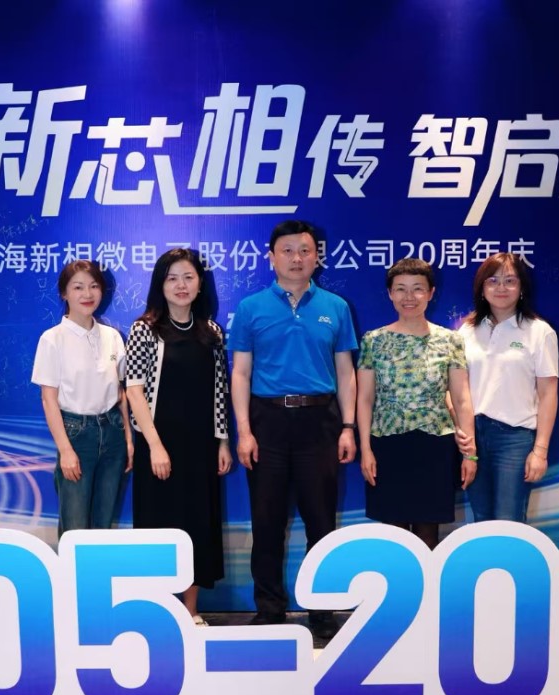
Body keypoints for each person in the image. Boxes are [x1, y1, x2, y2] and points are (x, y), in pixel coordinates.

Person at [228, 219, 357, 638]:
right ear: (271, 258)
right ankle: (269, 610)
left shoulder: (335, 307)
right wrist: (244, 431)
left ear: (317, 257)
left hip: (320, 423)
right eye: (287, 251)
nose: (296, 258)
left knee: (321, 521)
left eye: (304, 250)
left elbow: (345, 372)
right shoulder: (251, 308)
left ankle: (322, 611)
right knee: (266, 522)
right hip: (267, 422)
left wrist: (348, 426)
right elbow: (241, 373)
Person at [125, 249, 232, 627]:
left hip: (201, 446)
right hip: (159, 444)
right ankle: (157, 609)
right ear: (160, 285)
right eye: (172, 278)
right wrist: (154, 445)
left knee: (198, 523)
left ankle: (190, 609)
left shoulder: (212, 331)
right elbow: (134, 389)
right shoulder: (144, 330)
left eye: (188, 277)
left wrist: (223, 441)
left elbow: (220, 391)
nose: (181, 285)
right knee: (159, 523)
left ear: (200, 283)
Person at [356, 258, 477, 549]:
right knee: (394, 537)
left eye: (417, 288)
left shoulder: (450, 340)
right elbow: (365, 399)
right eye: (400, 289)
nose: (409, 297)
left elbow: (461, 398)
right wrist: (366, 450)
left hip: (434, 445)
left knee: (428, 534)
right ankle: (398, 582)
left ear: (431, 292)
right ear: (390, 293)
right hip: (387, 445)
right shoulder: (373, 341)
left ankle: (428, 582)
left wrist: (470, 454)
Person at [31, 260, 132, 535]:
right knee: (75, 525)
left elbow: (120, 393)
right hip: (76, 434)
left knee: (103, 523)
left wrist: (128, 439)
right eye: (78, 287)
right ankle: (70, 567)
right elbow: (48, 399)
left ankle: (99, 568)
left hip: (113, 431)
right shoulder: (52, 339)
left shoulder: (112, 336)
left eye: (94, 286)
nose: (87, 294)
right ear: (64, 293)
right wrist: (65, 450)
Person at [458, 252, 559, 524]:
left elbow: (548, 394)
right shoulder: (466, 331)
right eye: (492, 281)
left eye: (510, 280)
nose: (501, 287)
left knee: (508, 520)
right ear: (481, 288)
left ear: (522, 287)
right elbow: (454, 388)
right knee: (481, 518)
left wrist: (540, 451)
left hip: (514, 438)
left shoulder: (539, 332)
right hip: (473, 437)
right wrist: (462, 433)